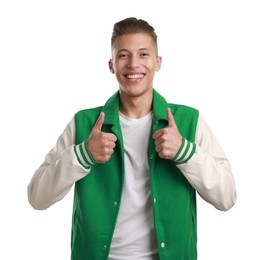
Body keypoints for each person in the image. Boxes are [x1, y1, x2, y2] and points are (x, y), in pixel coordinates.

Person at [27, 17, 236, 260]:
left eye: (144, 54)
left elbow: (227, 197)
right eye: (124, 55)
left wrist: (185, 152)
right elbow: (37, 197)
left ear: (158, 62)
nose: (134, 64)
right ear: (111, 64)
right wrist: (82, 154)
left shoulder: (188, 121)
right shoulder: (83, 124)